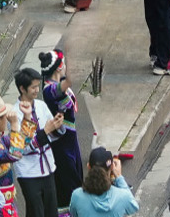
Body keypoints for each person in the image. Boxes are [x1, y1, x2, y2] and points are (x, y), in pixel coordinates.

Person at [11, 67, 62, 217]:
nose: (36, 90)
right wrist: (45, 132)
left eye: (37, 86)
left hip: (48, 167)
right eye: (33, 87)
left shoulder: (41, 105)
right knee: (36, 212)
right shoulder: (15, 115)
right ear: (22, 88)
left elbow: (52, 136)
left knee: (52, 210)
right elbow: (22, 148)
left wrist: (57, 126)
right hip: (28, 172)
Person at [38, 51, 82, 211]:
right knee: (69, 184)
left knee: (76, 179)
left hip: (70, 141)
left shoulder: (59, 82)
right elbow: (63, 86)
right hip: (62, 145)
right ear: (59, 67)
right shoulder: (49, 90)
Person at [67, 147, 136, 217]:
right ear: (112, 167)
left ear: (88, 166)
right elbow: (133, 207)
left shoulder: (77, 195)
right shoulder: (122, 196)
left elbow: (74, 213)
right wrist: (119, 176)